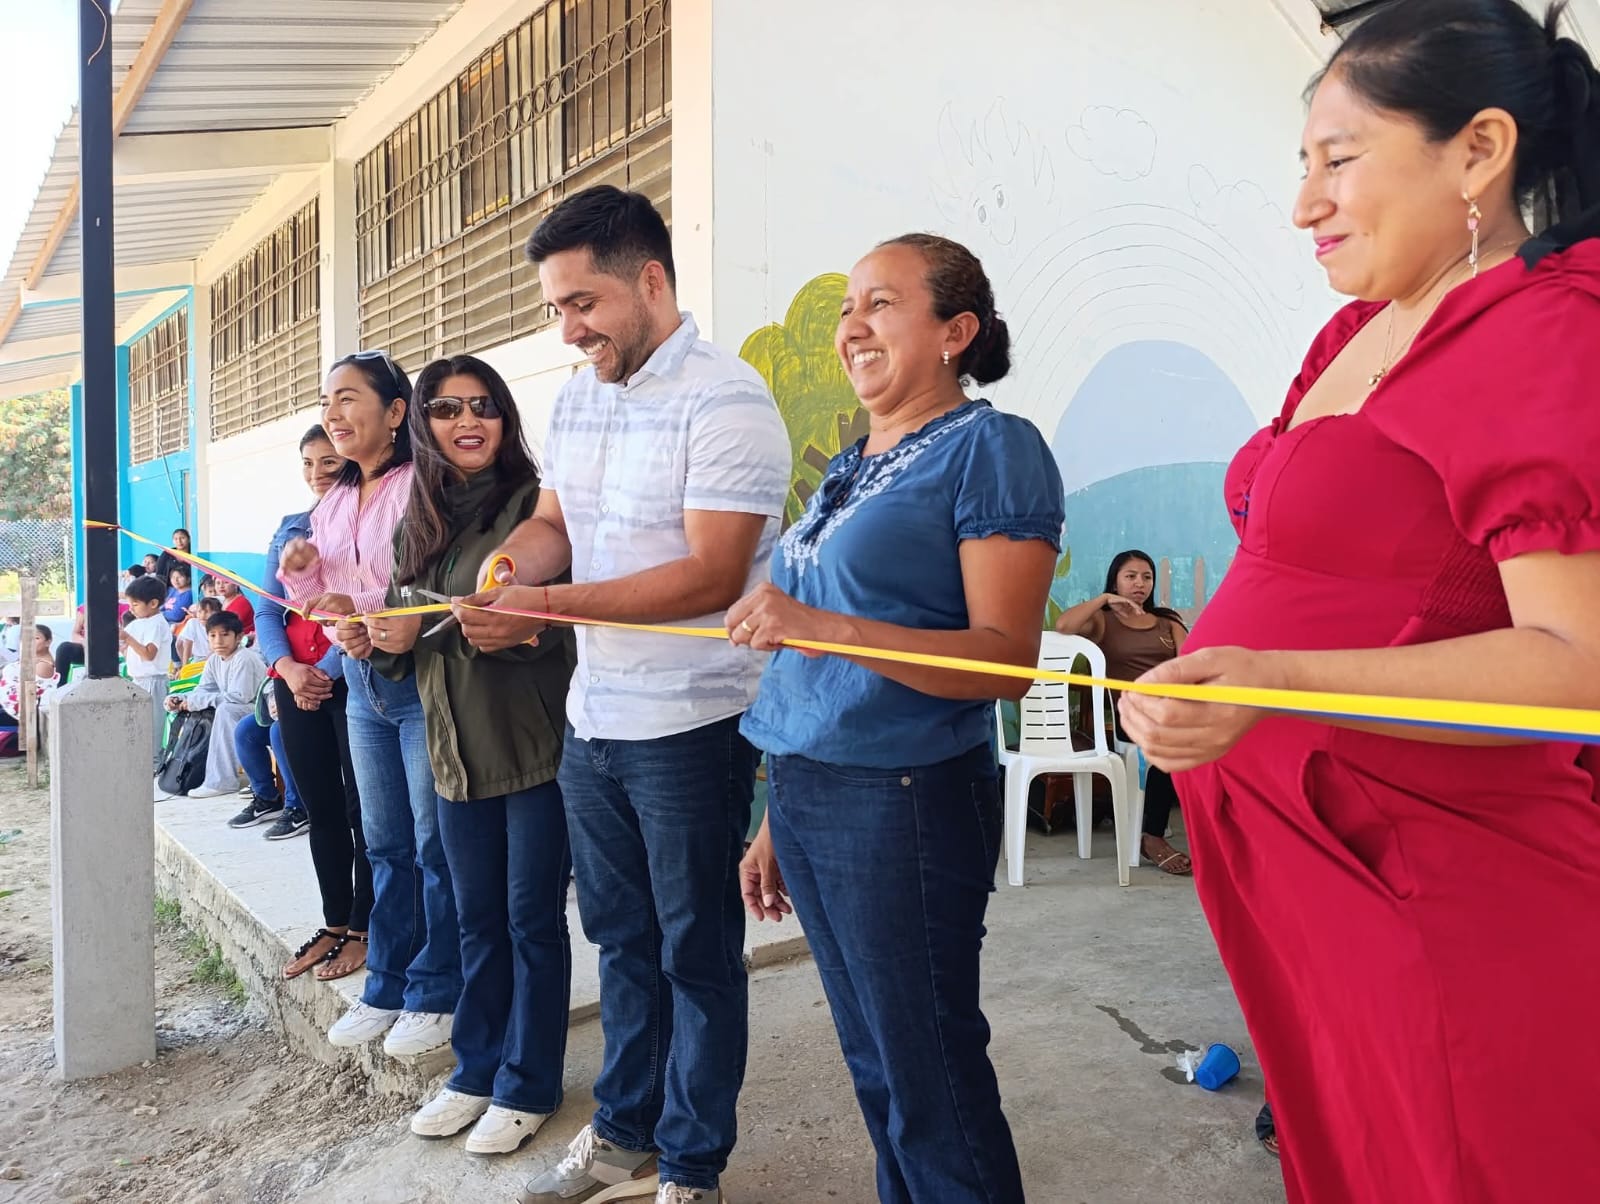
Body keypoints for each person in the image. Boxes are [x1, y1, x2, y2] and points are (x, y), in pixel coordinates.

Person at [1116, 4, 1600, 1202]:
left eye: (1338, 160)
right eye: (1303, 163)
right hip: (1308, 901)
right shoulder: (1355, 330)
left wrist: (1275, 681)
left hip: (1439, 901)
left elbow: (1576, 664)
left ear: (1478, 151)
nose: (1304, 204)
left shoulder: (1542, 329)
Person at [454, 185, 790, 1204]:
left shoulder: (727, 400)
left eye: (583, 303)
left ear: (649, 280)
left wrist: (546, 607)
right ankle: (625, 1134)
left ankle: (691, 1163)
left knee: (696, 950)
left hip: (693, 722)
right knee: (620, 942)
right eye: (557, 308)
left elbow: (710, 576)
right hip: (593, 720)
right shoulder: (579, 399)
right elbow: (554, 524)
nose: (569, 329)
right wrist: (510, 568)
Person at [730, 233, 1061, 1204]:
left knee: (928, 1070)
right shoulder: (852, 462)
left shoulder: (990, 448)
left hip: (905, 795)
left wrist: (817, 625)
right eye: (847, 308)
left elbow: (1005, 661)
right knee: (875, 1060)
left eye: (881, 303)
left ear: (956, 332)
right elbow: (814, 666)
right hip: (812, 790)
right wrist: (776, 816)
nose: (852, 327)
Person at [371, 355, 578, 1156]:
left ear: (506, 418)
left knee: (531, 922)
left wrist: (515, 629)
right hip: (452, 757)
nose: (468, 422)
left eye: (484, 406)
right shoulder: (416, 524)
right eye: (449, 408)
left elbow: (558, 627)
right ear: (423, 423)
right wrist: (378, 637)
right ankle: (475, 1070)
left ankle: (528, 1082)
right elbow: (406, 643)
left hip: (532, 749)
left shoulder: (536, 508)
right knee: (475, 921)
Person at [281, 352, 463, 1060]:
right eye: (327, 400)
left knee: (432, 846)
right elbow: (323, 602)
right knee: (384, 844)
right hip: (363, 689)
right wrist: (307, 583)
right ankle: (387, 983)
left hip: (419, 683)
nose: (333, 413)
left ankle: (436, 990)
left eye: (349, 398)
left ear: (394, 413)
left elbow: (436, 581)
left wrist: (363, 610)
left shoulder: (424, 485)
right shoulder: (330, 502)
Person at [261, 425, 371, 980]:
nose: (317, 474)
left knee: (363, 810)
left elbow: (365, 603)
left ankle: (365, 927)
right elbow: (266, 609)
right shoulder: (290, 528)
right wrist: (288, 670)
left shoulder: (361, 523)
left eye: (329, 462)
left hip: (347, 677)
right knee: (321, 808)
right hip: (295, 683)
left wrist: (323, 671)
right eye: (308, 463)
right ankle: (334, 922)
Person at [1055, 550, 1192, 875]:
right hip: (1128, 712)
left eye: (1146, 577)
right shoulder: (1103, 620)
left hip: (1169, 707)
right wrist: (1104, 599)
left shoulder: (1167, 620)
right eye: (1130, 576)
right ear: (1115, 581)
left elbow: (1189, 664)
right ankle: (1152, 837)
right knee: (1167, 738)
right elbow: (1063, 626)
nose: (1139, 583)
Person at [167, 610, 266, 799]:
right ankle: (201, 774)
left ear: (239, 637)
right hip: (240, 708)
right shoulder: (214, 660)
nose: (218, 641)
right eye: (212, 636)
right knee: (218, 708)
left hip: (261, 711)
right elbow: (204, 690)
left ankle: (222, 781)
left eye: (225, 635)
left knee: (226, 711)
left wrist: (196, 701)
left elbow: (240, 697)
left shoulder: (244, 657)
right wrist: (181, 698)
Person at [228, 682, 309, 840]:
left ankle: (298, 807)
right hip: (287, 697)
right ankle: (267, 798)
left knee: (279, 730)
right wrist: (272, 699)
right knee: (246, 729)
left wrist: (289, 702)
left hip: (314, 705)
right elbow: (272, 675)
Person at [121, 574, 173, 770]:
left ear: (153, 603)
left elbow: (149, 654)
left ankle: (154, 764)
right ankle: (141, 762)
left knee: (152, 725)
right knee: (138, 724)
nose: (131, 609)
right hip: (138, 679)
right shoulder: (137, 623)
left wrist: (128, 639)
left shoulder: (157, 623)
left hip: (153, 681)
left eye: (135, 604)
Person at [177, 597, 222, 666]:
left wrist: (204, 663)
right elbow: (187, 646)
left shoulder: (221, 626)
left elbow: (216, 650)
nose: (202, 615)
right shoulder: (193, 623)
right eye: (199, 611)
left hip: (216, 657)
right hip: (197, 658)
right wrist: (185, 667)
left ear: (217, 613)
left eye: (207, 611)